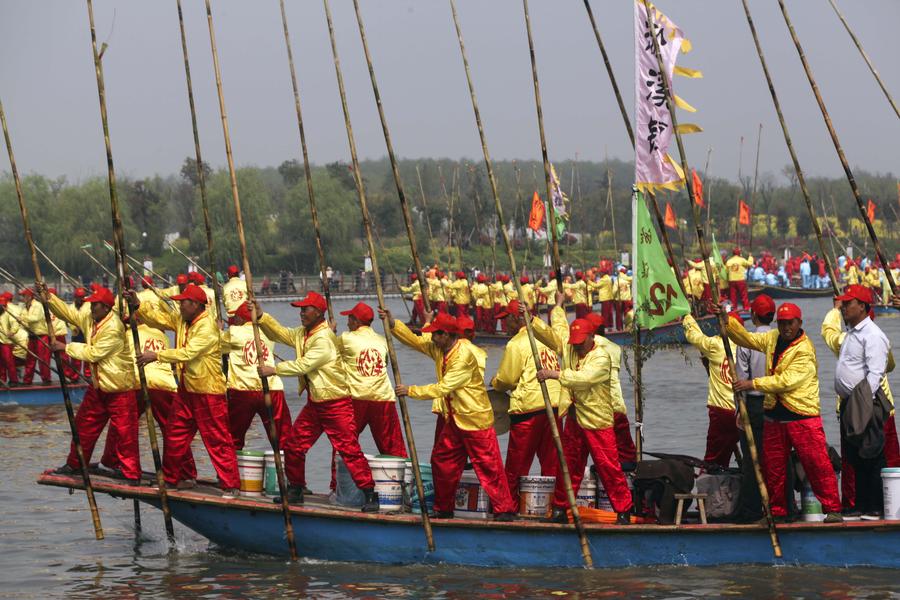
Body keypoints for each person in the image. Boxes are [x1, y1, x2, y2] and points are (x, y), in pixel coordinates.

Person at [719, 301, 843, 522]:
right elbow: (747, 339)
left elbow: (786, 381)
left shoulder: (804, 349)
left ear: (799, 323)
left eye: (791, 323)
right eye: (783, 323)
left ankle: (833, 509)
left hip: (802, 415)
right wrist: (726, 321)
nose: (786, 328)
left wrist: (752, 384)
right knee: (773, 467)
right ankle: (777, 512)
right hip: (774, 415)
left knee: (817, 463)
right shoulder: (772, 338)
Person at [389, 310, 517, 521]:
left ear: (446, 335)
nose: (432, 338)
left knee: (489, 466)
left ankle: (505, 510)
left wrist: (410, 390)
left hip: (475, 420)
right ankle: (444, 507)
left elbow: (443, 388)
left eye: (436, 334)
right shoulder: (440, 348)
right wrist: (393, 324)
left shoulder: (464, 356)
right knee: (441, 460)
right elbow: (416, 341)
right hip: (455, 418)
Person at [255, 291, 379, 511]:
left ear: (319, 313)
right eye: (301, 309)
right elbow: (281, 334)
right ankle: (296, 488)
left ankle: (370, 493)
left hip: (336, 403)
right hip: (316, 404)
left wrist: (273, 369)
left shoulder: (323, 339)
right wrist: (262, 317)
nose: (301, 313)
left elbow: (304, 365)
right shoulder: (304, 333)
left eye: (305, 309)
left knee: (349, 449)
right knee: (293, 445)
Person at [129, 283, 241, 496]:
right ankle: (172, 478)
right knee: (174, 434)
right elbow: (159, 319)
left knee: (217, 440)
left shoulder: (207, 326)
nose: (179, 306)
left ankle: (231, 484)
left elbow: (188, 353)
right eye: (179, 303)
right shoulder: (182, 319)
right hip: (187, 390)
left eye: (184, 303)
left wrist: (157, 356)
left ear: (197, 305)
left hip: (209, 391)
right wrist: (138, 305)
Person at [533, 292, 633, 524]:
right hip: (575, 418)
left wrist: (553, 374)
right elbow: (555, 331)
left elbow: (584, 379)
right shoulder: (570, 347)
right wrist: (533, 319)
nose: (575, 348)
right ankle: (559, 509)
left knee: (609, 467)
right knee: (568, 465)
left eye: (580, 344)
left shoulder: (602, 356)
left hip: (597, 420)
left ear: (591, 337)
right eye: (573, 344)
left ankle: (624, 511)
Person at [48, 286, 141, 484]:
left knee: (125, 433)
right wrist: (48, 298)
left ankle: (131, 473)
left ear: (106, 308)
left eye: (95, 305)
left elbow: (93, 353)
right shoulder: (91, 319)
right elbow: (69, 313)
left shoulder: (114, 327)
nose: (91, 308)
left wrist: (65, 347)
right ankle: (75, 464)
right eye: (91, 304)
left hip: (120, 389)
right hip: (99, 387)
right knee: (83, 426)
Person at [821, 285, 896, 517]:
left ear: (862, 306)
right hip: (850, 403)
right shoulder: (853, 333)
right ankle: (860, 506)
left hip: (863, 404)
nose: (843, 307)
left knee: (871, 455)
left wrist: (862, 405)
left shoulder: (873, 335)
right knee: (856, 458)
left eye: (848, 303)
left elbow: (876, 374)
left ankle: (874, 507)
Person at [491, 299, 563, 499]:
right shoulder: (546, 340)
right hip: (554, 406)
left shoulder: (516, 343)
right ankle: (553, 505)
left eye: (507, 320)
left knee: (517, 464)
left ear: (516, 319)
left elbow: (506, 379)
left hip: (529, 410)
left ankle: (509, 506)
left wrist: (495, 382)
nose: (504, 325)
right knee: (552, 463)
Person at [334, 302, 407, 459]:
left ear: (355, 321)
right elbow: (384, 363)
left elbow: (330, 355)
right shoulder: (383, 339)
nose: (347, 323)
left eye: (349, 319)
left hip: (356, 398)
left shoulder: (346, 338)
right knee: (394, 447)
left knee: (344, 443)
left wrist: (330, 333)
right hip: (383, 398)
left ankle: (337, 482)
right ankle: (403, 479)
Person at [221, 301, 291, 451]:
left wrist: (218, 330)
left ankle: (231, 473)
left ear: (240, 319)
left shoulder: (234, 332)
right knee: (283, 438)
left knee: (233, 438)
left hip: (244, 390)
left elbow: (215, 344)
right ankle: (285, 470)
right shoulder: (268, 333)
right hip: (272, 389)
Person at [732, 294, 776, 522]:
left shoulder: (747, 341)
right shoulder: (780, 339)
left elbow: (741, 378)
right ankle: (780, 508)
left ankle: (752, 510)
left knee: (752, 460)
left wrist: (739, 409)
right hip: (777, 403)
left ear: (754, 316)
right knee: (777, 457)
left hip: (755, 402)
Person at [681, 312, 739, 469]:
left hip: (722, 412)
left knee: (713, 460)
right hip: (744, 412)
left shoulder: (716, 344)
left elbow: (694, 336)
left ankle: (708, 487)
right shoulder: (749, 346)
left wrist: (686, 316)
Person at [585, 311, 637, 466]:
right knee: (626, 453)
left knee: (602, 455)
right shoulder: (615, 348)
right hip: (617, 405)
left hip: (597, 410)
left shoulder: (589, 347)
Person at [19, 288, 51, 385]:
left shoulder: (38, 305)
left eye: (24, 296)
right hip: (32, 336)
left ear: (29, 297)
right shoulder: (24, 307)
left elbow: (35, 318)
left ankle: (46, 379)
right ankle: (27, 380)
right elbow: (22, 320)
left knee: (43, 359)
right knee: (30, 359)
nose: (22, 298)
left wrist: (22, 319)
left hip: (41, 336)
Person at [0, 296, 20, 386]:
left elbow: (15, 323)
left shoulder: (9, 313)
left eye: (3, 305)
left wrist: (12, 332)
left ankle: (13, 380)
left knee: (9, 361)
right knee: (1, 362)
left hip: (6, 341)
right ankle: (2, 379)